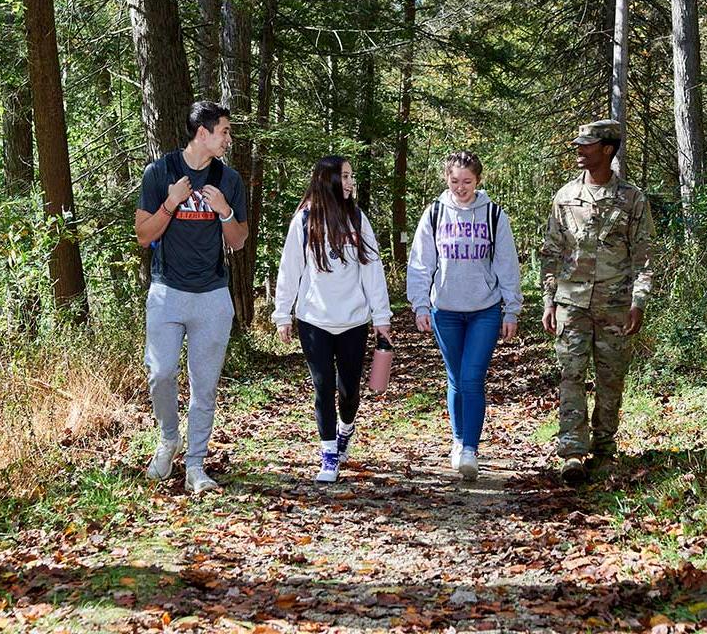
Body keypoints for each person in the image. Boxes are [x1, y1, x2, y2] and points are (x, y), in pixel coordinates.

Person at [134, 101, 248, 494]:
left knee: (205, 385)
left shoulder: (228, 179)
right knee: (160, 372)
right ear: (203, 133)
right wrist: (171, 202)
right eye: (224, 133)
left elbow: (238, 241)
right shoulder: (159, 172)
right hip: (167, 291)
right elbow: (145, 235)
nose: (228, 139)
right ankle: (169, 440)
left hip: (212, 296)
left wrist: (224, 211)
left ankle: (196, 465)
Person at [540, 119, 655, 485]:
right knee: (571, 374)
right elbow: (551, 252)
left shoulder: (632, 199)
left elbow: (645, 257)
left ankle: (604, 449)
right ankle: (572, 451)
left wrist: (639, 301)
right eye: (579, 144)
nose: (579, 150)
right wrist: (548, 300)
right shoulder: (565, 197)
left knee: (610, 378)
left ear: (607, 149)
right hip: (571, 302)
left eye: (587, 145)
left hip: (615, 304)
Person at [272, 156, 392, 483]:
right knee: (322, 386)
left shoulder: (357, 218)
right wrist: (283, 313)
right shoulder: (305, 220)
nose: (352, 182)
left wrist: (382, 317)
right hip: (314, 320)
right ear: (329, 180)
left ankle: (345, 429)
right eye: (346, 176)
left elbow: (372, 270)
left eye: (352, 176)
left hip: (353, 321)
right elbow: (290, 269)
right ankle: (328, 454)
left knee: (348, 390)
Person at [407, 151, 522, 482]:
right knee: (456, 378)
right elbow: (420, 263)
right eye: (455, 181)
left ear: (478, 181)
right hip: (445, 311)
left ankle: (470, 448)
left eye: (467, 181)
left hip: (484, 310)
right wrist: (420, 305)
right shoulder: (434, 214)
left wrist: (511, 308)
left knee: (472, 377)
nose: (461, 187)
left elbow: (507, 266)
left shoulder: (494, 216)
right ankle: (457, 442)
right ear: (447, 179)